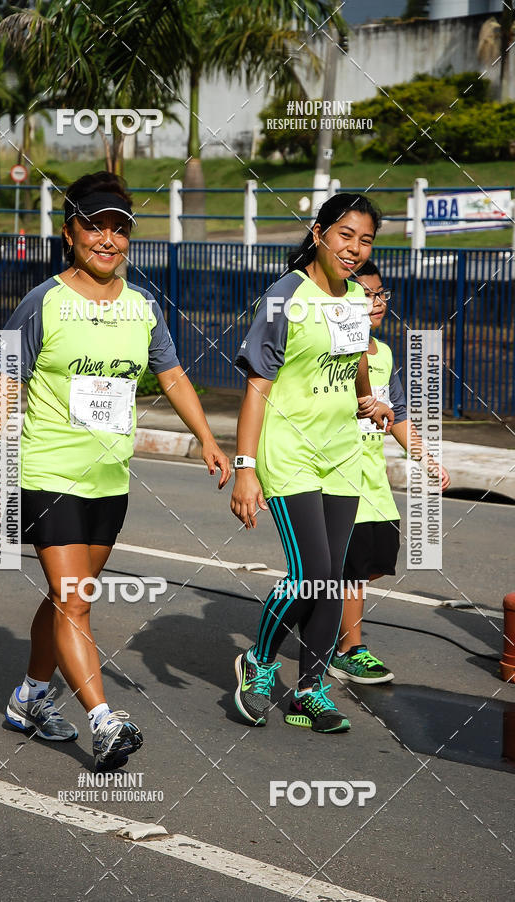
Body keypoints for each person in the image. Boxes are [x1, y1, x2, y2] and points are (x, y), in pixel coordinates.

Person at [0, 171, 230, 771]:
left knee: (68, 597)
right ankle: (104, 721)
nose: (107, 238)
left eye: (119, 229)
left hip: (109, 477)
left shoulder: (142, 306)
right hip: (47, 470)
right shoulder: (43, 302)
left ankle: (29, 698)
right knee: (75, 599)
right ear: (70, 232)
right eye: (94, 226)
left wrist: (208, 437)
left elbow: (172, 374)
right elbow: (5, 383)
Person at [231, 193, 394, 735]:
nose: (354, 248)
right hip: (289, 452)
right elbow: (257, 386)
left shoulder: (355, 297)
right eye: (346, 235)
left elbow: (356, 358)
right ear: (320, 232)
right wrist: (245, 468)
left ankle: (309, 691)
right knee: (312, 575)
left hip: (342, 453)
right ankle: (258, 662)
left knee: (333, 577)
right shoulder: (286, 296)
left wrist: (368, 398)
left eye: (365, 240)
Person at [328, 260, 450, 684]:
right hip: (337, 475)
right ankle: (349, 649)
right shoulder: (334, 349)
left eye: (381, 294)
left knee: (378, 559)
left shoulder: (384, 353)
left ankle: (318, 606)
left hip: (374, 481)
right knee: (353, 567)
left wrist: (426, 459)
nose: (377, 302)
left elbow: (396, 414)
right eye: (367, 294)